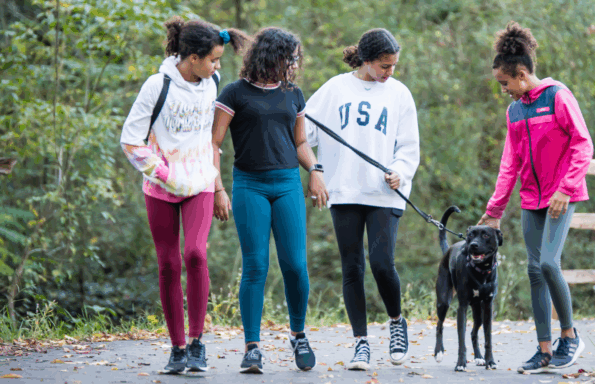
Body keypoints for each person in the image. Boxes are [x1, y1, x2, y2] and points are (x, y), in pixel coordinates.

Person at [120, 16, 247, 373]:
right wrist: (164, 174)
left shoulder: (213, 83)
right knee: (168, 263)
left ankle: (197, 343)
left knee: (195, 254)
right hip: (161, 187)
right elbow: (130, 140)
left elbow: (213, 142)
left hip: (201, 183)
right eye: (214, 59)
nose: (219, 66)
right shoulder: (156, 86)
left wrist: (219, 186)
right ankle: (177, 348)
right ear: (192, 58)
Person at [477, 21, 593, 374]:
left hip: (561, 196)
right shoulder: (515, 112)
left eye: (505, 84)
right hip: (532, 200)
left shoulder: (557, 96)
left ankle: (570, 337)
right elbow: (509, 165)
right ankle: (544, 350)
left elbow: (582, 144)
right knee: (533, 270)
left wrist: (565, 189)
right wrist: (494, 211)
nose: (504, 91)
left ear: (523, 75)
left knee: (548, 263)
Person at [303, 28, 420, 371]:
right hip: (344, 191)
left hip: (385, 192)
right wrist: (316, 170)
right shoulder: (335, 89)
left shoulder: (399, 94)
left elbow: (409, 147)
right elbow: (302, 133)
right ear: (366, 61)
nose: (390, 72)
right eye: (385, 66)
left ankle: (396, 322)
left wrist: (400, 170)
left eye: (394, 65)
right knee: (351, 267)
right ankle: (361, 343)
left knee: (382, 263)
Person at [211, 26, 327, 374]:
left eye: (295, 59)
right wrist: (218, 188)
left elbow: (301, 142)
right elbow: (213, 144)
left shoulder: (293, 94)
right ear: (269, 55)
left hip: (288, 183)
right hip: (250, 185)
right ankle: (252, 347)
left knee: (295, 265)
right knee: (256, 265)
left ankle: (298, 334)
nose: (293, 64)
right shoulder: (234, 93)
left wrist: (315, 170)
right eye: (289, 58)